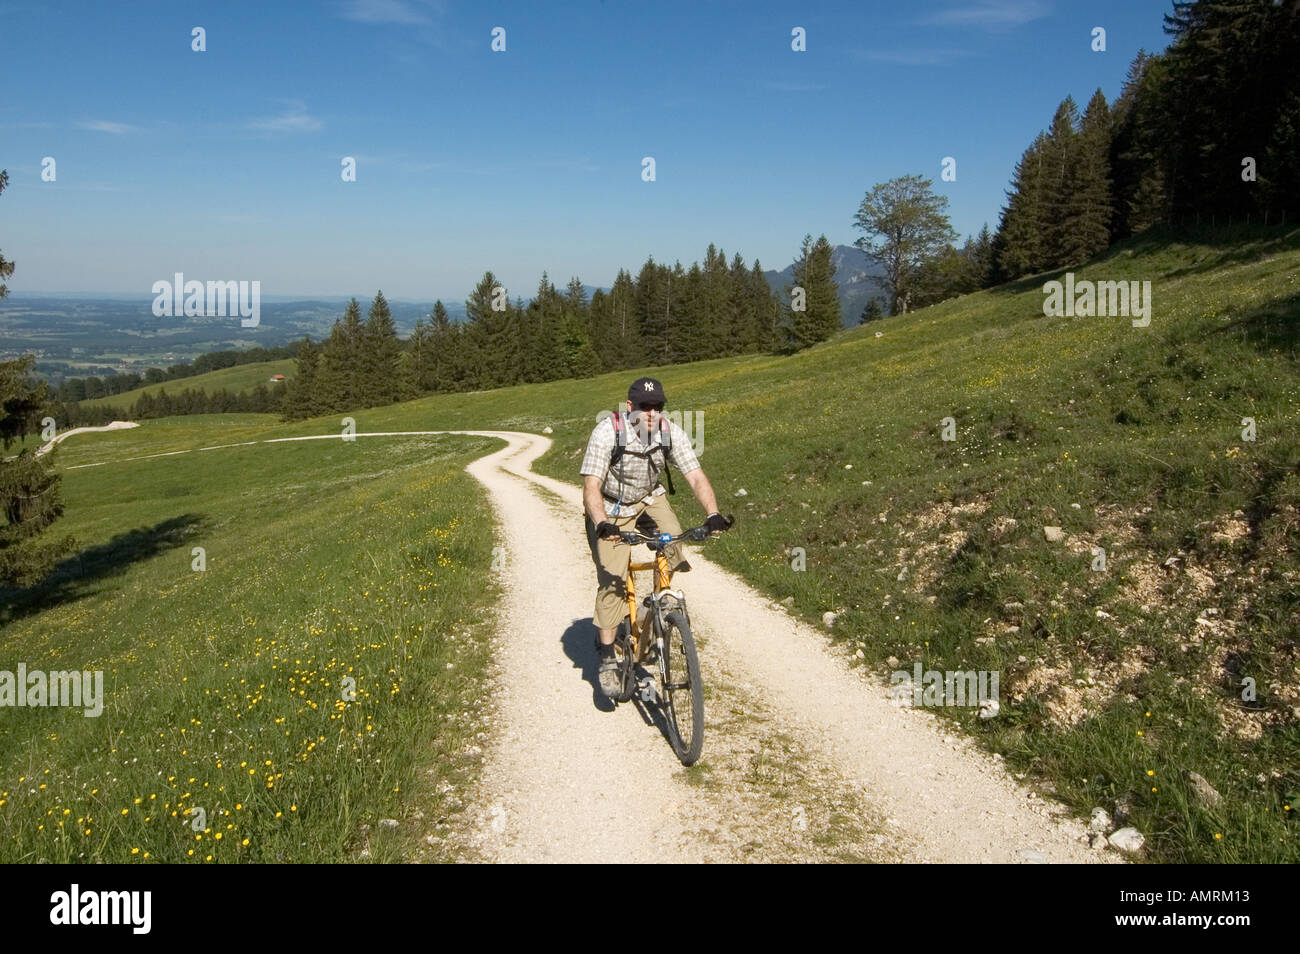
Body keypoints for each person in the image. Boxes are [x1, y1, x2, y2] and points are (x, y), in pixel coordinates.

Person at [579, 376, 732, 698]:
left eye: (658, 406)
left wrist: (713, 513)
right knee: (613, 580)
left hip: (650, 498)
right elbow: (591, 485)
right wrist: (603, 523)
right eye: (645, 407)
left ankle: (657, 610)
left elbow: (695, 475)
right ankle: (608, 657)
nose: (651, 413)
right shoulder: (607, 431)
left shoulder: (669, 432)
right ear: (630, 407)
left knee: (674, 544)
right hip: (611, 506)